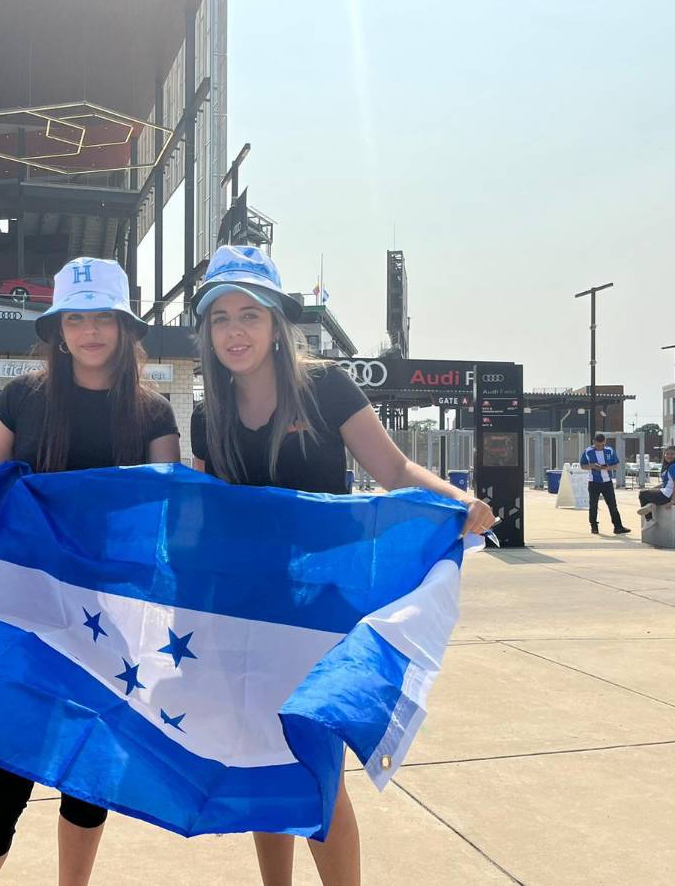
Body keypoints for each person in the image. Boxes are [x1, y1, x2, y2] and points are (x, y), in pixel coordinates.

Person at [188, 245, 496, 886]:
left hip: (317, 607)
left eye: (249, 314)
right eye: (220, 318)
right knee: (261, 762)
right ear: (206, 331)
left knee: (315, 766)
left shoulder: (324, 386)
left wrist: (459, 501)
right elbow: (208, 515)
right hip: (243, 610)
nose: (235, 331)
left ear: (276, 321)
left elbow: (394, 470)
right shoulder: (205, 413)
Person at [0, 257, 180, 886]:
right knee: (3, 773)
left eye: (103, 318)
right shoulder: (22, 398)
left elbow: (165, 521)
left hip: (109, 618)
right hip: (19, 612)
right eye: (76, 318)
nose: (90, 331)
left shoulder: (154, 413)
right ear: (57, 329)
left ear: (126, 328)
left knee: (88, 773)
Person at [580, 433, 631, 535]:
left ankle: (618, 527)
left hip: (607, 482)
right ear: (594, 442)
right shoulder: (588, 451)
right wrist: (592, 466)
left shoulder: (609, 450)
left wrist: (606, 467)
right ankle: (594, 526)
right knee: (593, 505)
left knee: (613, 505)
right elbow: (582, 466)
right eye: (598, 445)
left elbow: (616, 465)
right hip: (594, 482)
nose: (601, 447)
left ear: (605, 443)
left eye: (603, 445)